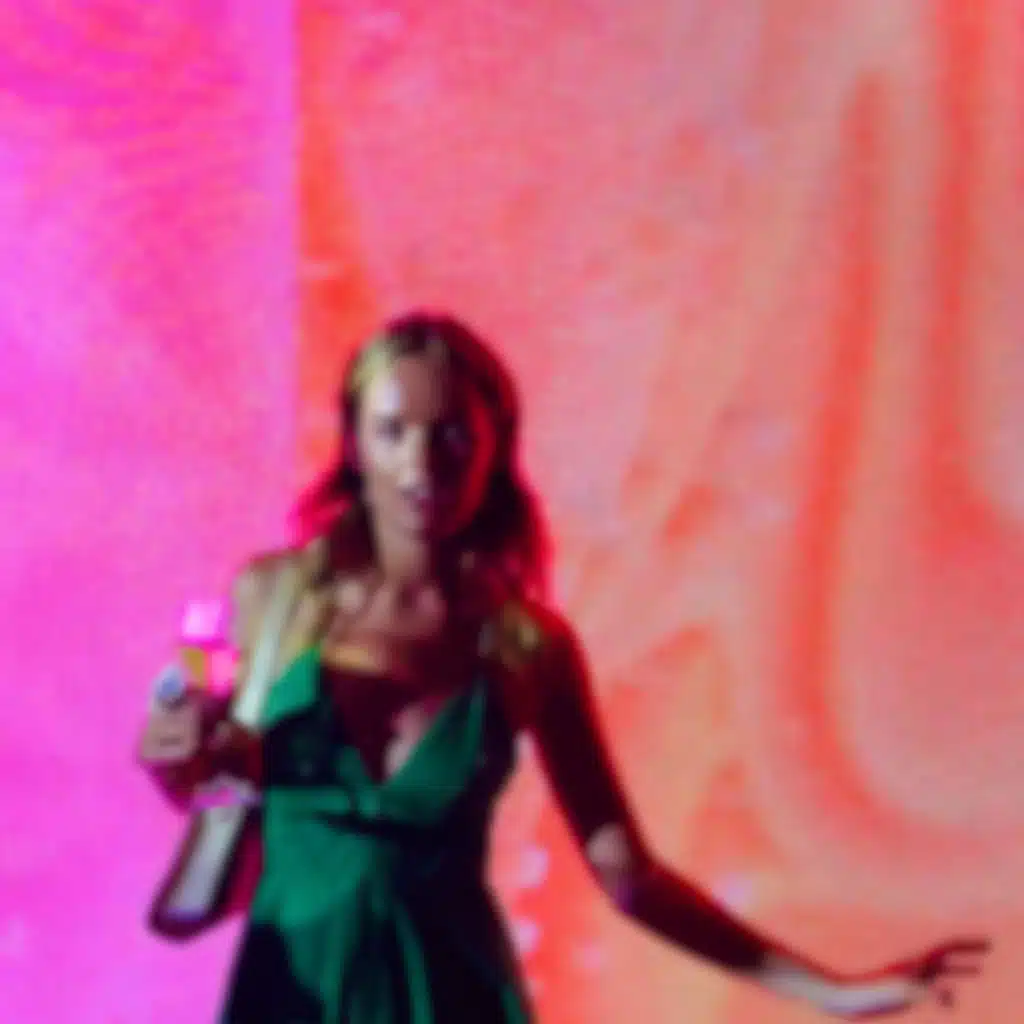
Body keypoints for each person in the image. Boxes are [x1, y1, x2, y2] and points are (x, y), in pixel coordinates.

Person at [138, 312, 987, 1022]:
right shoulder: (273, 599)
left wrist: (830, 991)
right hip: (293, 994)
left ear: (494, 450)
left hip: (457, 999)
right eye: (393, 432)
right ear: (354, 444)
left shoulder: (527, 647)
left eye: (451, 435)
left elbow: (629, 876)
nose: (421, 465)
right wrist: (179, 762)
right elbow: (222, 796)